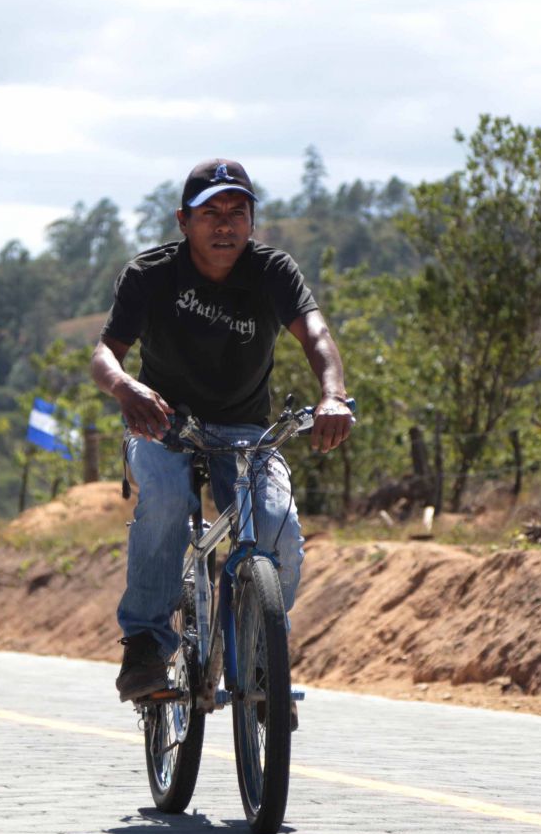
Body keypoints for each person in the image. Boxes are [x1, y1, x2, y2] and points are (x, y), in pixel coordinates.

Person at [90, 158, 353, 700]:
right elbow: (104, 354)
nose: (225, 224)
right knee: (166, 498)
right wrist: (126, 389)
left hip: (245, 430)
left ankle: (261, 651)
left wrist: (332, 395)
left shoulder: (273, 271)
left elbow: (316, 336)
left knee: (277, 528)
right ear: (183, 221)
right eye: (210, 212)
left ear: (253, 221)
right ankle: (145, 645)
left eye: (238, 212)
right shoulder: (150, 275)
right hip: (163, 423)